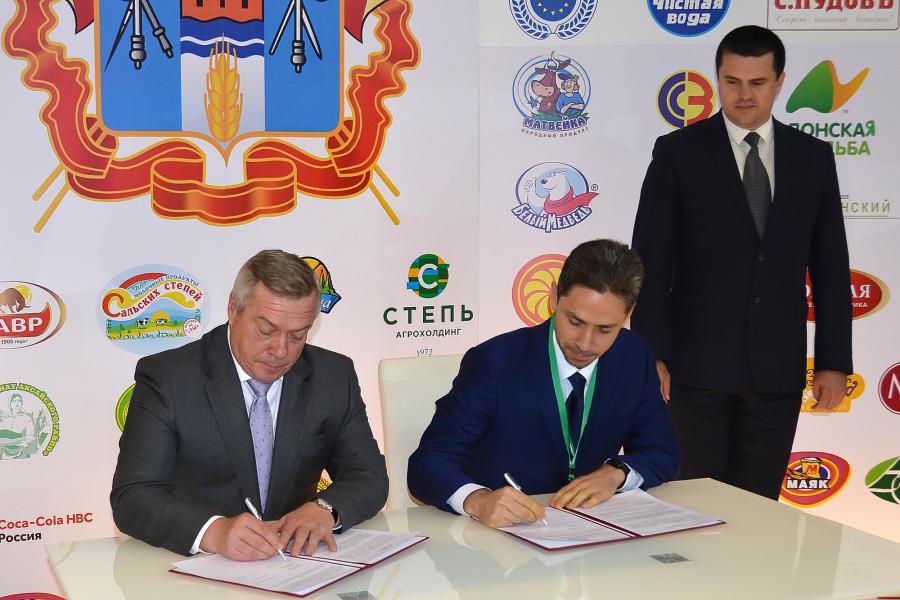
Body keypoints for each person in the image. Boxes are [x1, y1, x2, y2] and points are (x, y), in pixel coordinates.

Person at [630, 25, 852, 500]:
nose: (744, 94)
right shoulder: (678, 153)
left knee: (761, 509)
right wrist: (651, 355)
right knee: (693, 507)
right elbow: (650, 259)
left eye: (757, 82)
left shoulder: (813, 158)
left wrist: (834, 362)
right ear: (717, 78)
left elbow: (831, 266)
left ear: (779, 81)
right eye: (732, 82)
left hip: (778, 370)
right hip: (695, 370)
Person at [111, 250, 388, 559]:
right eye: (266, 331)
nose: (280, 351)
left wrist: (325, 509)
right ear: (233, 308)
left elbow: (369, 475)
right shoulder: (169, 378)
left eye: (298, 336)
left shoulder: (333, 376)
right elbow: (132, 496)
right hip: (196, 567)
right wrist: (213, 532)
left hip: (294, 564)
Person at [408, 239, 678, 527]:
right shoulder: (495, 362)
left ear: (628, 314)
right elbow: (428, 463)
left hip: (591, 533)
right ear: (553, 298)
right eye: (575, 321)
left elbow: (662, 452)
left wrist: (615, 474)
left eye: (605, 329)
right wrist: (477, 500)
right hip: (500, 537)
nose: (585, 343)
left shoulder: (634, 357)